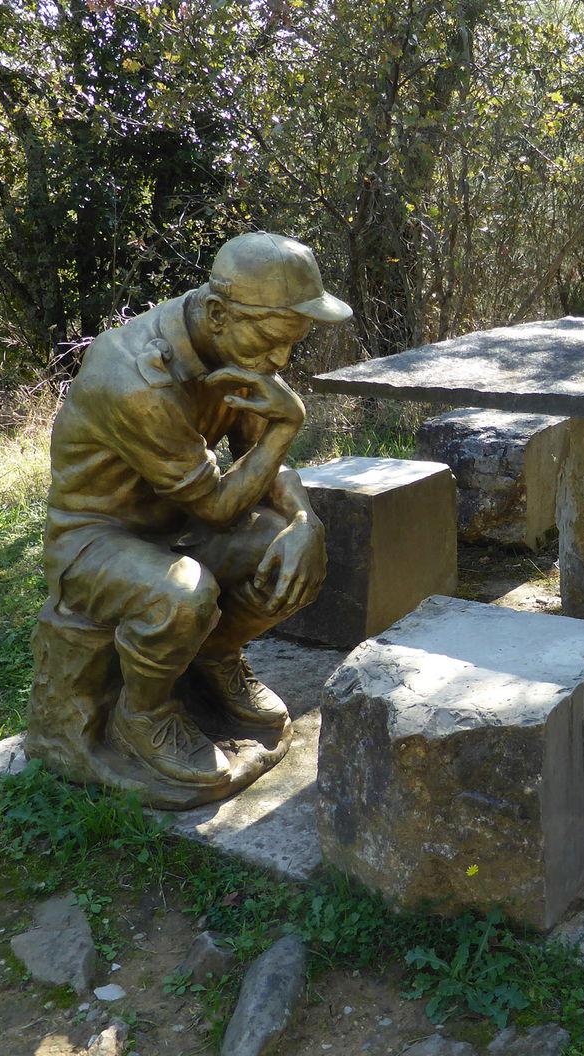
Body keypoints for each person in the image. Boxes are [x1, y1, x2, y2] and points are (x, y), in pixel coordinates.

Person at [41, 232, 349, 787]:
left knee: (289, 551)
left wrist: (305, 521)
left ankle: (214, 656)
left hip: (179, 525)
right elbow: (217, 504)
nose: (279, 361)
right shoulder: (137, 377)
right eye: (273, 340)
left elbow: (262, 465)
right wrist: (287, 423)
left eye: (292, 344)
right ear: (216, 313)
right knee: (183, 593)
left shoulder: (234, 341)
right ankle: (144, 718)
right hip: (95, 542)